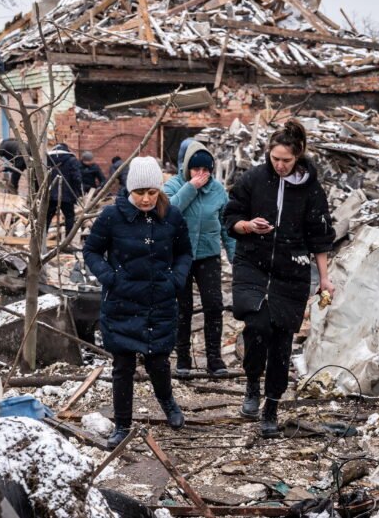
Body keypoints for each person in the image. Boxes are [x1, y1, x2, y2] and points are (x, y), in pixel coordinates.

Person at [223, 119, 335, 437]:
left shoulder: (311, 190)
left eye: (286, 160)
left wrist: (324, 279)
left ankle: (271, 405)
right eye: (275, 159)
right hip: (252, 264)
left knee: (282, 339)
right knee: (257, 326)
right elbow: (230, 215)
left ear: (298, 155)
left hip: (292, 270)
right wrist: (246, 226)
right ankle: (251, 384)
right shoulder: (254, 179)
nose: (281, 165)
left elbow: (320, 237)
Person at [83, 157, 194, 448]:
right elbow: (91, 251)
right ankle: (122, 425)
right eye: (140, 192)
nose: (146, 199)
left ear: (159, 190)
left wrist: (176, 279)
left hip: (160, 302)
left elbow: (184, 253)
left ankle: (168, 404)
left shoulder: (172, 216)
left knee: (159, 361)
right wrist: (110, 277)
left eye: (152, 192)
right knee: (123, 367)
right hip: (122, 302)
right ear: (130, 190)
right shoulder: (111, 216)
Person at [164, 139, 236, 377]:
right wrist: (190, 188)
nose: (201, 174)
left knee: (214, 306)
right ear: (186, 168)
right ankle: (183, 359)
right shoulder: (173, 186)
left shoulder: (218, 191)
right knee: (182, 308)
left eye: (206, 170)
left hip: (208, 254)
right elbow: (168, 212)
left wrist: (234, 255)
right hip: (179, 256)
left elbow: (227, 226)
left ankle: (214, 360)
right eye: (196, 169)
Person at [45, 142, 83, 233]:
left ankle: (42, 238)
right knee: (69, 216)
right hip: (67, 195)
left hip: (51, 194)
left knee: (47, 216)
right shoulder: (72, 160)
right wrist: (78, 193)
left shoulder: (47, 160)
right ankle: (68, 240)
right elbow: (77, 178)